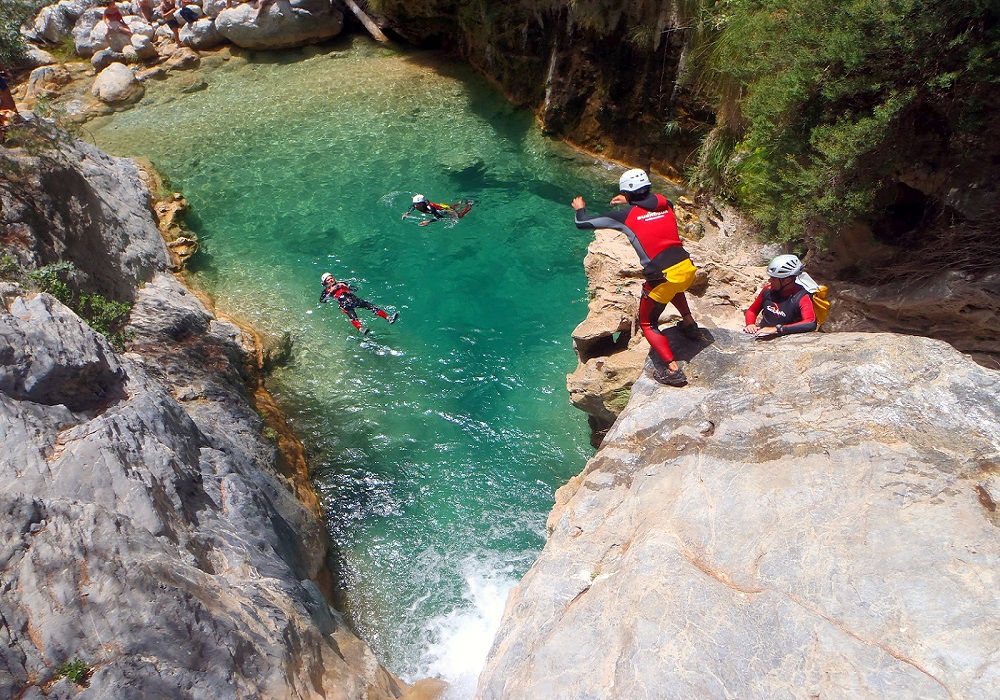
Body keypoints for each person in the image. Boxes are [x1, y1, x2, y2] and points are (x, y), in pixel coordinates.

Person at [572, 168, 699, 387]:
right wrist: (631, 199)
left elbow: (582, 223)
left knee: (648, 323)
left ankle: (673, 370)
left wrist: (580, 209)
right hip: (686, 268)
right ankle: (689, 324)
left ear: (627, 193)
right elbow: (651, 204)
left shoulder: (625, 216)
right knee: (673, 287)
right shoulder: (666, 203)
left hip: (662, 276)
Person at [743, 254, 817, 339]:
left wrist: (777, 329)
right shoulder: (767, 290)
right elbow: (752, 310)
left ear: (787, 280)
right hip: (762, 334)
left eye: (774, 278)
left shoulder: (802, 297)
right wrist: (750, 324)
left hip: (788, 340)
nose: (769, 280)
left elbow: (810, 323)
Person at [319, 272, 399, 335]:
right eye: (328, 280)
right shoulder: (326, 291)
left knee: (371, 306)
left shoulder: (341, 283)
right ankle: (361, 329)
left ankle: (388, 318)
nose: (331, 280)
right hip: (344, 304)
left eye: (331, 278)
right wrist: (331, 292)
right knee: (353, 316)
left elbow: (355, 289)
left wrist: (346, 286)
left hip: (353, 299)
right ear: (325, 283)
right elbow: (322, 300)